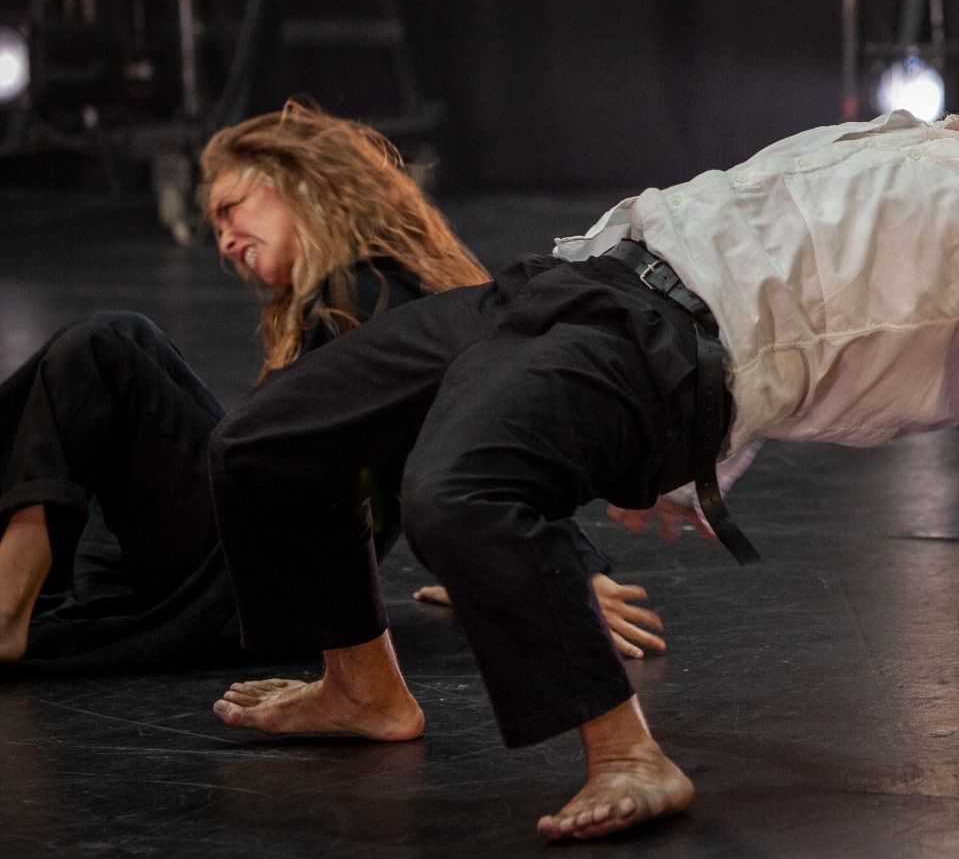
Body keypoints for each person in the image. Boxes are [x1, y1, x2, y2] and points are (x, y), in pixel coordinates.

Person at [204, 0, 959, 842]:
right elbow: (798, 280)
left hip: (655, 349)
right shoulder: (908, 135)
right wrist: (697, 477)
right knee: (267, 441)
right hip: (571, 284)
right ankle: (363, 687)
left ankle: (629, 756)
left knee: (455, 496)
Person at [0, 101, 659, 671]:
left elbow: (464, 431)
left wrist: (544, 563)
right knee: (92, 392)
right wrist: (478, 567)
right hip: (267, 563)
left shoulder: (376, 293)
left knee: (108, 348)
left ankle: (8, 611)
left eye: (231, 210)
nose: (223, 242)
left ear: (304, 186)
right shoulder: (348, 301)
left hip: (272, 579)